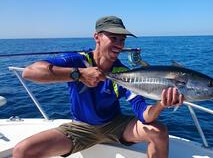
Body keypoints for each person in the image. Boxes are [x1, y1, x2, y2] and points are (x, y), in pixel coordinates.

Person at [13, 16, 184, 158]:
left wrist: (161, 104)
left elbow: (143, 114)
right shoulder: (76, 60)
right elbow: (29, 72)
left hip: (116, 125)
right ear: (97, 37)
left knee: (159, 131)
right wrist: (78, 74)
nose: (119, 44)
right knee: (22, 151)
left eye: (122, 39)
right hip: (81, 128)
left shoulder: (124, 73)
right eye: (113, 38)